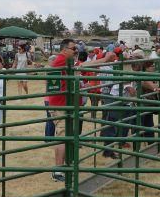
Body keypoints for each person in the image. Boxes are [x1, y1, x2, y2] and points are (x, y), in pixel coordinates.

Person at [45, 39, 115, 181]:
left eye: (76, 49)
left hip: (67, 104)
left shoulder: (67, 61)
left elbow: (84, 67)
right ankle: (57, 171)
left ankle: (66, 166)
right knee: (63, 136)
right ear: (64, 49)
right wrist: (105, 58)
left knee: (68, 136)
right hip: (61, 105)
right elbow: (86, 65)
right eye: (73, 48)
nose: (76, 51)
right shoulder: (62, 60)